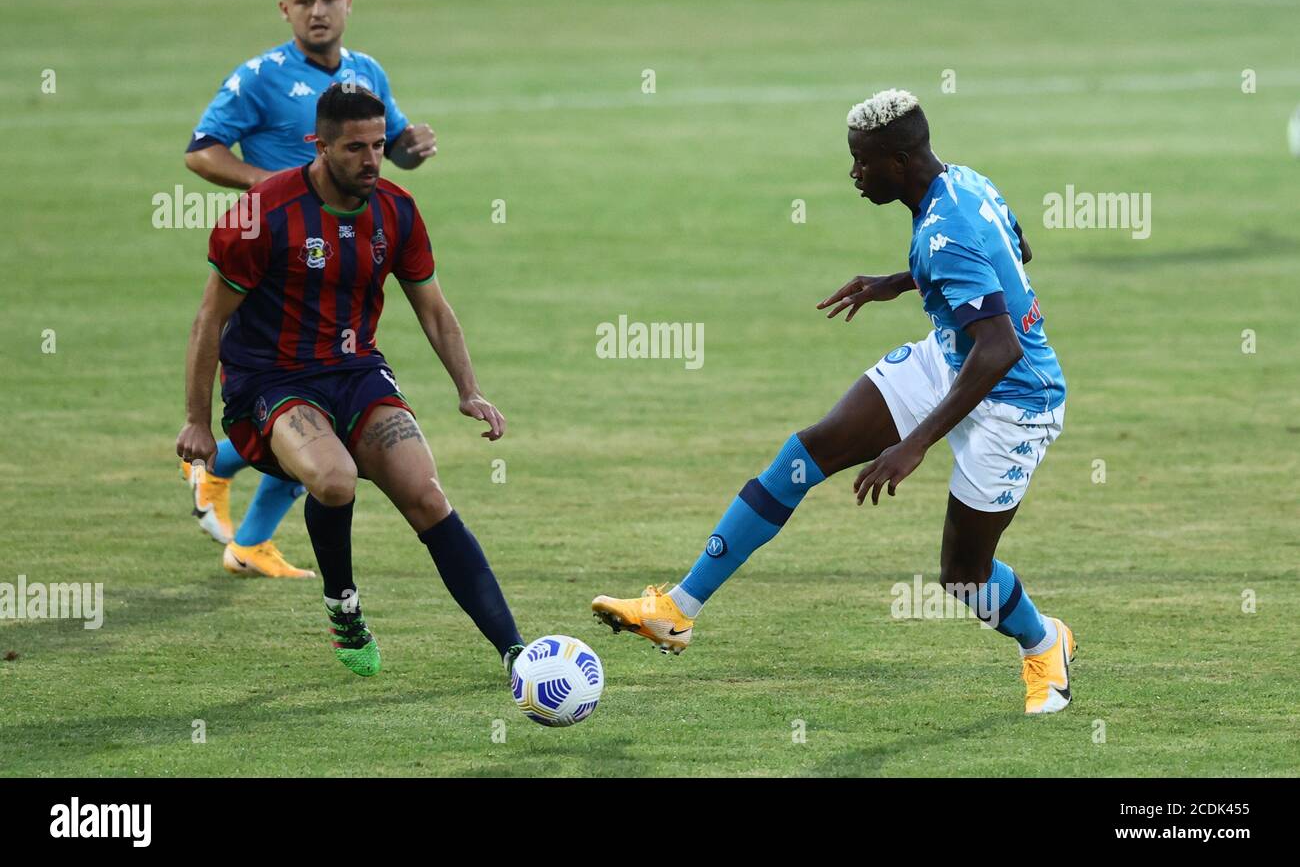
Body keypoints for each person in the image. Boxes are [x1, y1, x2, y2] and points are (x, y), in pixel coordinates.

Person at [592, 89, 1074, 714]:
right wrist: (899, 282)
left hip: (1013, 401)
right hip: (951, 358)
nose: (853, 174)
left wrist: (913, 444)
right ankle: (677, 610)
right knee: (810, 449)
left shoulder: (944, 233)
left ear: (899, 161)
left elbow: (1001, 347)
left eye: (861, 161)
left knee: (962, 575)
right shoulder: (965, 186)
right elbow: (1017, 253)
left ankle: (1043, 643)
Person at [176, 84, 524, 677]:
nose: (370, 160)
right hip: (271, 380)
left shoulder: (396, 209)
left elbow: (433, 310)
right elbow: (211, 319)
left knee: (427, 496)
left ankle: (515, 653)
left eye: (379, 145)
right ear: (318, 145)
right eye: (354, 148)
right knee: (334, 481)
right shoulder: (263, 214)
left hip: (356, 369)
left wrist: (469, 390)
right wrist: (197, 420)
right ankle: (344, 606)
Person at [180, 0, 437, 578]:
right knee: (307, 418)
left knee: (323, 419)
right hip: (275, 267)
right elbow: (200, 152)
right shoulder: (259, 77)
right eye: (305, 0)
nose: (318, 10)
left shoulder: (366, 71)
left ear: (348, 2)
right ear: (285, 9)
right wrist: (275, 184)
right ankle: (231, 501)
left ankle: (239, 523)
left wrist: (412, 150)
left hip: (346, 265)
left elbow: (390, 146)